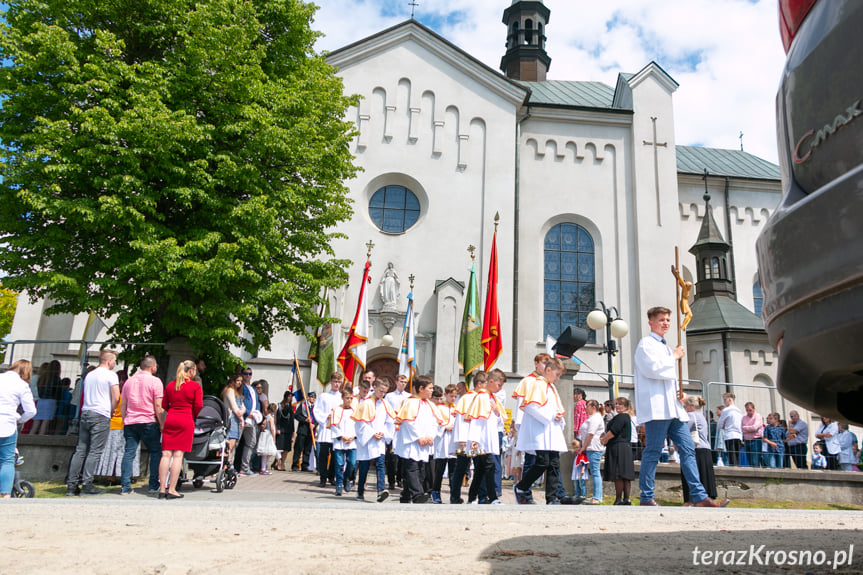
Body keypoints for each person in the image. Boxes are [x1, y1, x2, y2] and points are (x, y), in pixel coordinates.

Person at [633, 306, 728, 507]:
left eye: (667, 319)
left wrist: (681, 392)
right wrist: (674, 357)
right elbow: (653, 370)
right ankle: (646, 496)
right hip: (658, 408)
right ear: (650, 322)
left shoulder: (666, 347)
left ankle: (699, 495)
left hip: (674, 408)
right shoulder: (646, 345)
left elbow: (669, 378)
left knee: (688, 449)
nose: (665, 323)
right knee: (653, 451)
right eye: (661, 320)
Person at [513, 358, 567, 505]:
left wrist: (558, 417)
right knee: (542, 462)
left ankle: (551, 497)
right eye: (557, 374)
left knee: (554, 463)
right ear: (548, 370)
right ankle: (522, 487)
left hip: (551, 430)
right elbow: (531, 407)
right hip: (540, 431)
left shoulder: (551, 387)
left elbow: (555, 407)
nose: (558, 378)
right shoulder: (538, 384)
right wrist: (550, 416)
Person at [67, 350, 120, 496]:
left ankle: (71, 485)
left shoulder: (90, 375)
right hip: (101, 414)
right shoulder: (111, 375)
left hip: (86, 412)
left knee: (80, 450)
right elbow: (116, 396)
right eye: (115, 360)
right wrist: (111, 410)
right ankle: (87, 484)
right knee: (95, 451)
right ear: (109, 361)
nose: (115, 363)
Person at [118, 356, 164, 495]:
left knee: (129, 453)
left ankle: (125, 486)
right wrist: (161, 423)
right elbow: (158, 404)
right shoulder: (156, 382)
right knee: (155, 452)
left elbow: (123, 404)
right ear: (152, 367)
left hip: (131, 421)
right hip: (148, 421)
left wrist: (124, 418)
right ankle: (153, 484)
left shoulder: (129, 381)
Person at [394, 376, 443, 504]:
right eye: (430, 388)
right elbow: (409, 422)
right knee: (412, 468)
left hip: (425, 442)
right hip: (412, 442)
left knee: (421, 469)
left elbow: (435, 423)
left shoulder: (430, 405)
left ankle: (406, 495)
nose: (432, 391)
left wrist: (430, 436)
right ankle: (417, 494)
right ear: (421, 388)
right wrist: (418, 437)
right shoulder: (410, 402)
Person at [158, 360, 203, 499]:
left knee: (166, 455)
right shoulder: (195, 386)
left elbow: (164, 405)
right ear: (191, 371)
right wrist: (193, 416)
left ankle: (161, 489)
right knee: (178, 455)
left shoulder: (171, 385)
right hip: (185, 419)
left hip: (171, 419)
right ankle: (172, 489)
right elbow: (199, 405)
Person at [353, 378, 396, 502]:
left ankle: (380, 491)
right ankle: (360, 491)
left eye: (385, 392)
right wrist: (371, 433)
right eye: (381, 390)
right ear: (375, 388)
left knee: (380, 464)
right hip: (367, 439)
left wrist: (384, 433)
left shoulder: (386, 405)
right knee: (364, 466)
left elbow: (390, 422)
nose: (382, 394)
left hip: (379, 440)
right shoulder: (366, 403)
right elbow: (360, 423)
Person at [465, 371, 503, 505]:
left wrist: (497, 412)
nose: (500, 389)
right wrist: (474, 439)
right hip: (481, 439)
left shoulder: (492, 398)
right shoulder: (481, 397)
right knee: (489, 467)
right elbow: (476, 419)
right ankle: (492, 497)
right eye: (499, 385)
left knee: (480, 470)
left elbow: (498, 420)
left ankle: (471, 498)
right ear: (491, 382)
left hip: (489, 438)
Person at [1, 360, 37, 498]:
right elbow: (31, 411)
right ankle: (5, 494)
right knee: (7, 460)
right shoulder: (22, 385)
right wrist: (19, 420)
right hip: (8, 423)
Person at [681, 396, 718, 503]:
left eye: (686, 405)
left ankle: (693, 499)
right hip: (705, 449)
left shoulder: (691, 416)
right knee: (706, 476)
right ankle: (708, 497)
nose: (685, 408)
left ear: (692, 406)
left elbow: (683, 430)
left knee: (694, 475)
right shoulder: (701, 416)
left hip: (696, 448)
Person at [600, 396, 635, 505]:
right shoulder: (626, 417)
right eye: (617, 404)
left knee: (619, 473)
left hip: (618, 446)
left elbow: (614, 431)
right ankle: (626, 498)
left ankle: (619, 498)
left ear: (625, 407)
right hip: (625, 447)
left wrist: (604, 439)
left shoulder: (621, 417)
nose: (618, 406)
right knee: (625, 474)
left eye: (621, 404)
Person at [314, 371, 344, 487]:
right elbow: (316, 411)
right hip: (325, 429)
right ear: (331, 382)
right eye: (335, 381)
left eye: (339, 382)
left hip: (336, 430)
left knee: (335, 456)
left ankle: (331, 476)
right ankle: (322, 477)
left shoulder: (342, 398)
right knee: (323, 455)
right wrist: (326, 416)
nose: (337, 384)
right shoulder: (323, 396)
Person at [431, 384, 457, 504]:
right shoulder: (439, 408)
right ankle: (436, 491)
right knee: (439, 469)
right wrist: (445, 427)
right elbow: (435, 423)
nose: (453, 399)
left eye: (455, 396)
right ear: (445, 395)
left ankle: (453, 494)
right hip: (442, 441)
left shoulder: (455, 409)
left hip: (452, 441)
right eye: (451, 396)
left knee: (453, 469)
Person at [384, 374, 411, 489]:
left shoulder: (409, 396)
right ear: (396, 382)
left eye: (405, 382)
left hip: (403, 429)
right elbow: (387, 411)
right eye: (401, 381)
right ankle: (391, 480)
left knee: (402, 457)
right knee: (392, 457)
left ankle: (400, 478)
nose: (403, 384)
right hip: (393, 429)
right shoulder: (389, 396)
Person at [329, 389, 357, 496]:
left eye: (351, 398)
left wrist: (353, 436)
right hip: (340, 441)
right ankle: (339, 484)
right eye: (347, 398)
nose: (349, 400)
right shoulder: (337, 410)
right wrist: (341, 436)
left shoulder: (355, 410)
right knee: (339, 464)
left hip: (352, 441)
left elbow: (358, 426)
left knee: (352, 463)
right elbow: (333, 425)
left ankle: (346, 478)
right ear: (342, 398)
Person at [236, 367, 262, 476]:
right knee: (235, 442)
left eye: (250, 373)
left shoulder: (252, 388)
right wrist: (247, 413)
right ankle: (230, 466)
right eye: (246, 373)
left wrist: (257, 415)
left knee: (251, 442)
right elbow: (241, 401)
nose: (248, 375)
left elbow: (256, 402)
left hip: (252, 420)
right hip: (243, 418)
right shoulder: (241, 387)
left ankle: (245, 467)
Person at [579, 399, 606, 504]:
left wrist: (583, 447)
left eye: (587, 406)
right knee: (594, 472)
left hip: (594, 447)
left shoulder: (595, 418)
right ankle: (597, 495)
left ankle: (597, 496)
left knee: (595, 472)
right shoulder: (593, 418)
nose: (586, 408)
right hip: (591, 447)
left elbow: (590, 433)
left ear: (593, 407)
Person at [221, 374, 245, 470]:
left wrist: (241, 413)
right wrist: (241, 418)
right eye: (238, 380)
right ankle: (223, 467)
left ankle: (228, 466)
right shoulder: (229, 390)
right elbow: (236, 408)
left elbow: (243, 408)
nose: (239, 383)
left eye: (241, 381)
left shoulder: (237, 393)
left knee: (232, 446)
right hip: (231, 420)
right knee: (228, 446)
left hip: (236, 420)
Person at [716, 393, 743, 466]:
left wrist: (722, 426)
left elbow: (720, 423)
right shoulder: (739, 410)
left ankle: (733, 470)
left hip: (729, 434)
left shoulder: (726, 410)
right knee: (737, 455)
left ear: (730, 399)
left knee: (731, 455)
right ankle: (737, 469)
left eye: (725, 400)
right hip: (739, 435)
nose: (724, 402)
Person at [292, 391, 315, 471]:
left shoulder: (315, 408)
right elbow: (296, 415)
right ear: (308, 397)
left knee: (307, 449)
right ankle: (295, 465)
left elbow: (317, 418)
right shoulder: (303, 406)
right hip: (302, 430)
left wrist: (314, 424)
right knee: (298, 448)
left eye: (314, 397)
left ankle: (305, 465)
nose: (313, 399)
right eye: (311, 397)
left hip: (310, 431)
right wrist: (305, 419)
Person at [256, 403, 279, 475]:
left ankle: (263, 468)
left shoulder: (265, 417)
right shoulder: (271, 418)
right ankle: (263, 468)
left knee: (265, 453)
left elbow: (263, 426)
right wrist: (273, 437)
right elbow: (272, 428)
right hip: (269, 435)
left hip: (264, 434)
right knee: (268, 452)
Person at [275, 391, 294, 471]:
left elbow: (292, 420)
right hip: (281, 430)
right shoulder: (280, 406)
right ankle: (278, 464)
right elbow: (277, 418)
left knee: (286, 449)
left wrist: (293, 430)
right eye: (289, 396)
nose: (290, 398)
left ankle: (283, 463)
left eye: (291, 397)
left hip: (288, 430)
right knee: (280, 448)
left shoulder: (290, 407)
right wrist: (277, 428)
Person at [741, 402, 764, 468]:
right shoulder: (743, 417)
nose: (748, 412)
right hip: (747, 440)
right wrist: (750, 428)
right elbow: (741, 428)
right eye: (747, 410)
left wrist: (745, 428)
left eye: (750, 410)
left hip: (756, 440)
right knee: (750, 461)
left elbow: (755, 427)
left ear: (754, 409)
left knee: (755, 461)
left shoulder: (758, 416)